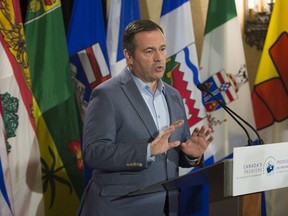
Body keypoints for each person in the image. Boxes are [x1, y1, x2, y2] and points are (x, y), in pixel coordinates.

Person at [78, 19, 213, 216]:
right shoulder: (107, 95)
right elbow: (94, 152)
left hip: (166, 206)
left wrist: (192, 155)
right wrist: (147, 150)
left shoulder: (174, 95)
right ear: (129, 56)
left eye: (162, 49)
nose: (159, 58)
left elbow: (173, 153)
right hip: (120, 208)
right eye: (149, 51)